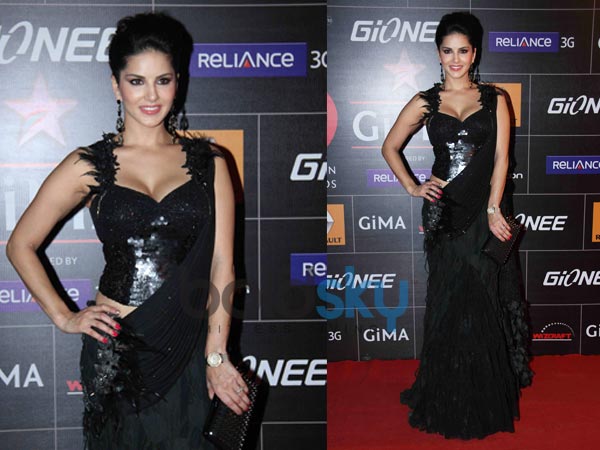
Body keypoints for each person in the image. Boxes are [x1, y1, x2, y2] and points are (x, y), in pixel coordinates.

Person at [6, 12, 250, 449]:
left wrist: (216, 356)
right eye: (136, 81)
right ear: (116, 86)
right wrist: (65, 316)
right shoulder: (88, 164)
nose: (151, 95)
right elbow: (20, 244)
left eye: (163, 80)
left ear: (178, 83)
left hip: (188, 345)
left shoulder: (211, 163)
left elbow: (222, 265)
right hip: (117, 351)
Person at [382, 11, 533, 439]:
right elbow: (390, 146)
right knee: (448, 303)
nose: (455, 59)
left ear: (474, 53)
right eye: (447, 51)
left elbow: (502, 158)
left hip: (483, 214)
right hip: (444, 213)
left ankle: (482, 396)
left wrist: (493, 209)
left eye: (462, 51)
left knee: (482, 301)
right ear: (438, 54)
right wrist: (413, 186)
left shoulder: (495, 98)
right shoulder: (425, 101)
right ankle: (446, 394)